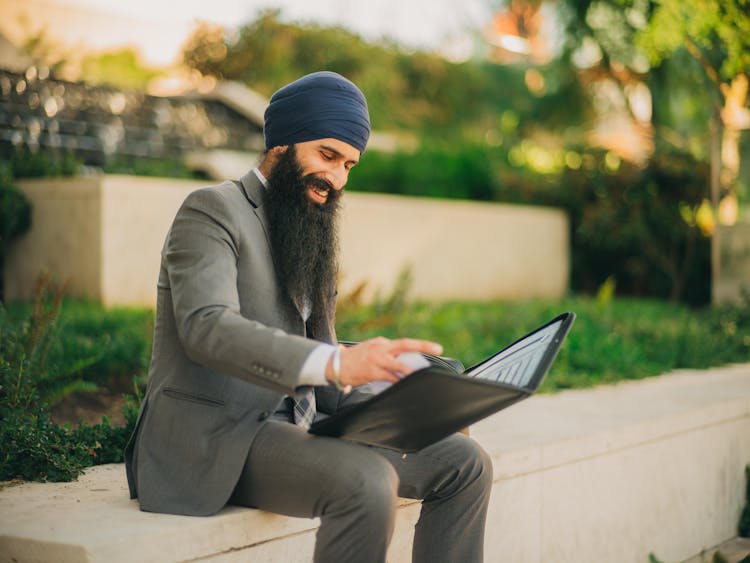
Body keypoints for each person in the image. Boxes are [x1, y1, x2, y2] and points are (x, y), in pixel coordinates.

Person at [125, 71, 493, 562]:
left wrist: (411, 399)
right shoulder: (212, 210)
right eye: (327, 155)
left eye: (348, 165)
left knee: (464, 461)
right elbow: (206, 327)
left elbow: (324, 375)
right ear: (281, 145)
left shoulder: (309, 229)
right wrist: (337, 363)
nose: (337, 178)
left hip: (301, 429)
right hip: (219, 438)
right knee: (367, 481)